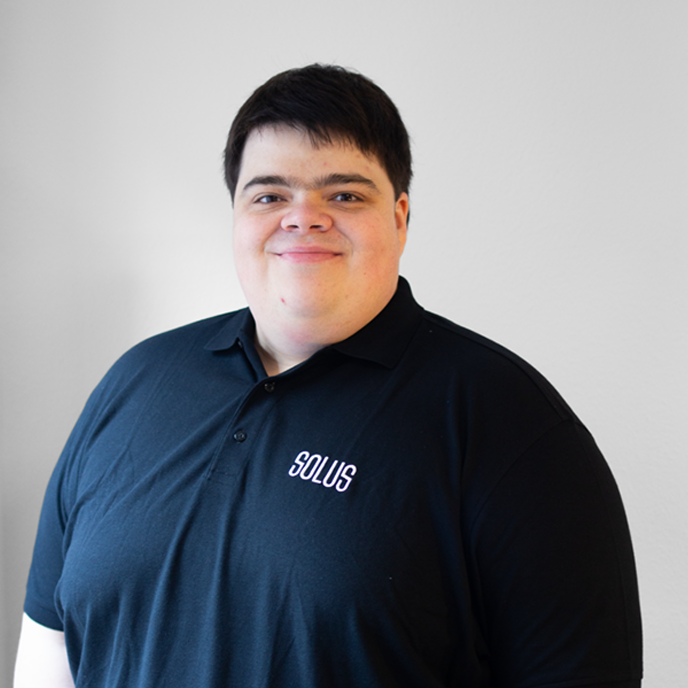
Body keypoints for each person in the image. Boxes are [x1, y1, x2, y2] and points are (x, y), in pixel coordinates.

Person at [15, 64, 642, 688]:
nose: (303, 217)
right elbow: (50, 646)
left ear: (399, 218)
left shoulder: (510, 424)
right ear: (236, 215)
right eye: (269, 195)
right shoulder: (135, 382)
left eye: (344, 195)